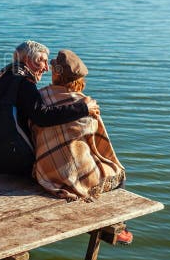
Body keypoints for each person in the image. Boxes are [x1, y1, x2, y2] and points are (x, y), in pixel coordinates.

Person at [30, 49, 132, 244]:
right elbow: (100, 144)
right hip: (73, 173)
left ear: (57, 73)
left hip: (45, 170)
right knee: (117, 172)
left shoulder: (39, 99)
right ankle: (117, 226)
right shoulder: (87, 104)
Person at [0, 41, 99, 176]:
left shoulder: (4, 76)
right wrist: (83, 108)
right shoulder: (24, 83)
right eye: (43, 61)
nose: (47, 68)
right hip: (18, 163)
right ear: (28, 60)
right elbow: (43, 117)